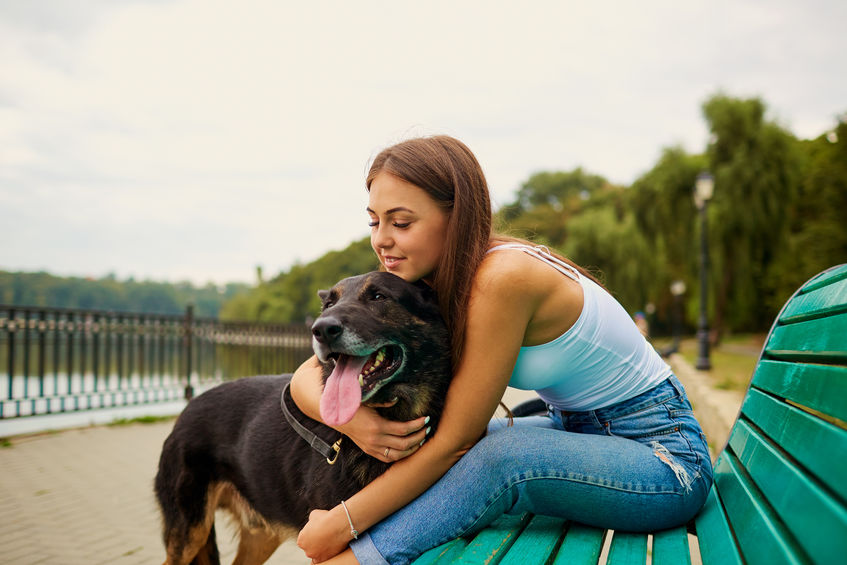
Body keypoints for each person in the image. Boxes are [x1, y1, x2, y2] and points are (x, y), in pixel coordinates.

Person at [292, 135, 713, 564]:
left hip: (665, 462)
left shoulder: (501, 278)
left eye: (400, 223)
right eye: (373, 222)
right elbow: (304, 377)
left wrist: (343, 523)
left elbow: (457, 443)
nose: (381, 239)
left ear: (456, 218)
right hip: (580, 433)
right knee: (428, 438)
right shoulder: (434, 284)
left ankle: (361, 558)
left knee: (499, 456)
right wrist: (357, 425)